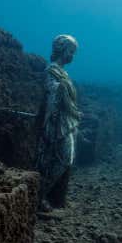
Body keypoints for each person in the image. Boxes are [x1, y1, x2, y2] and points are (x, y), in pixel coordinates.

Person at [35, 34, 80, 211]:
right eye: (71, 51)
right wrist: (47, 124)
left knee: (64, 159)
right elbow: (51, 96)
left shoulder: (62, 73)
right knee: (60, 159)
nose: (72, 56)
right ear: (62, 50)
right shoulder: (51, 71)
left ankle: (47, 196)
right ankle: (38, 197)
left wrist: (74, 112)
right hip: (56, 122)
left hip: (66, 120)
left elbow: (66, 98)